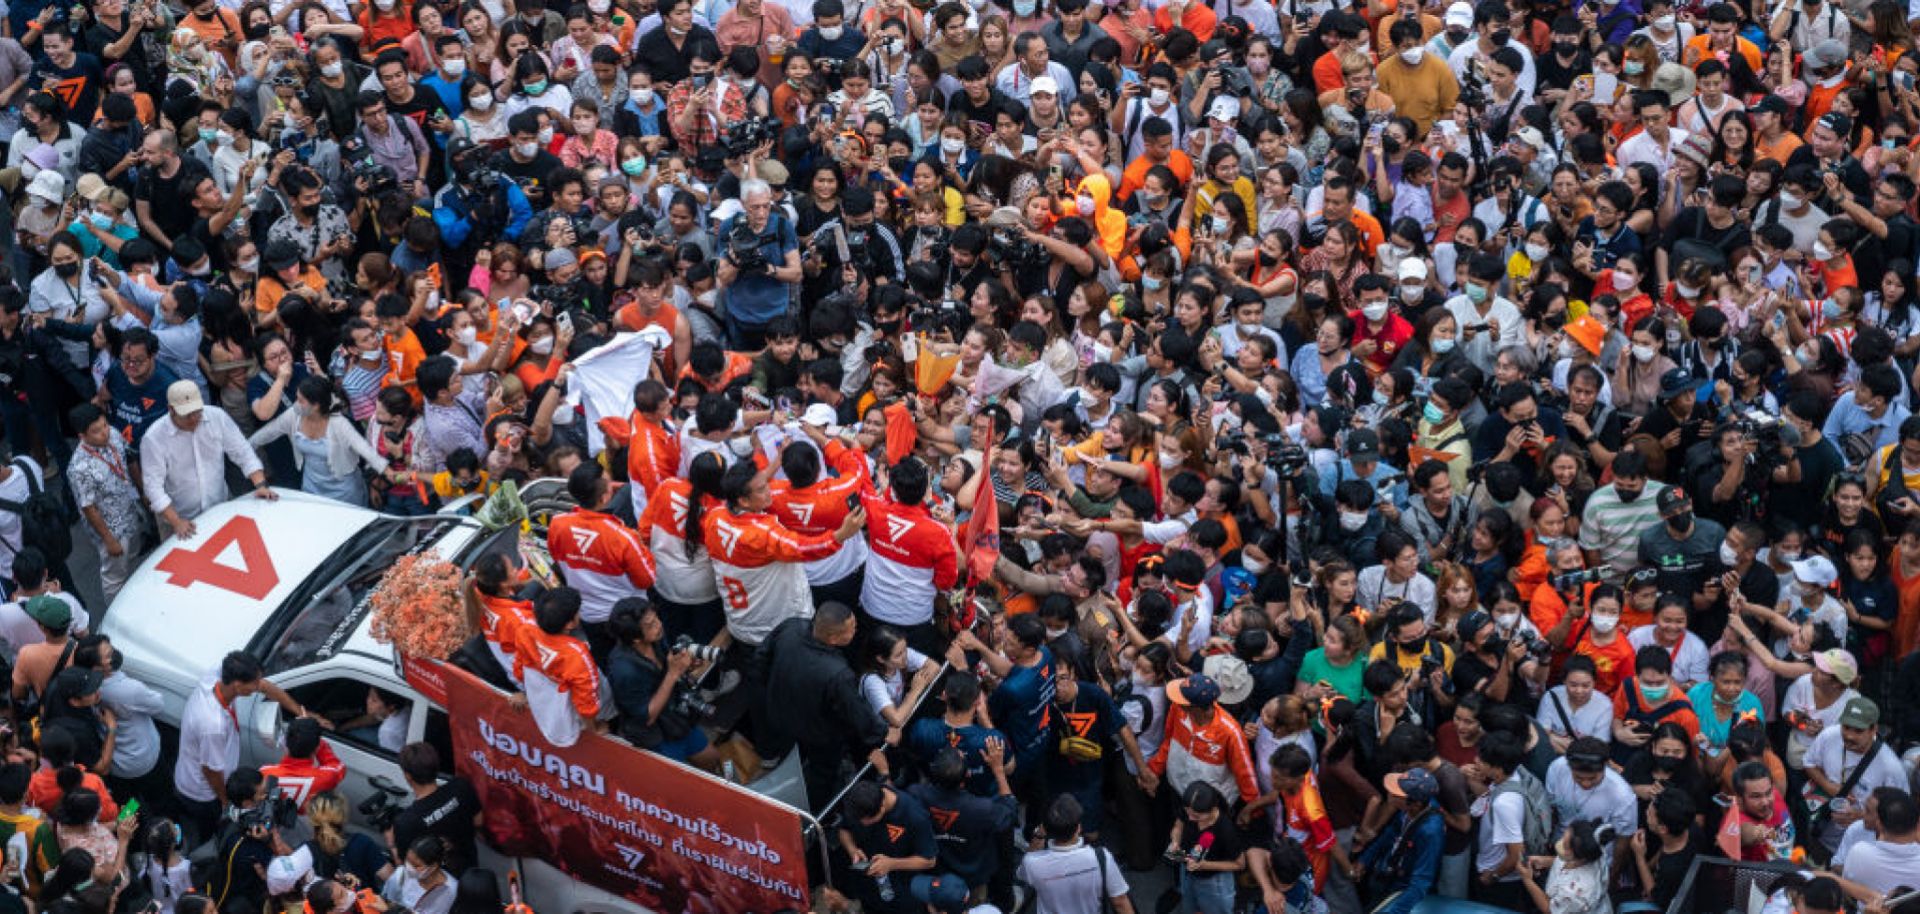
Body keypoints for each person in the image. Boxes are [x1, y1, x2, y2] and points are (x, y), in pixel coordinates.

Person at [174, 652, 306, 843]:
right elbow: (211, 770)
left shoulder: (220, 673)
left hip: (192, 771)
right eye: (254, 683)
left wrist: (300, 711)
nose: (258, 686)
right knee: (209, 828)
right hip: (203, 792)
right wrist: (226, 802)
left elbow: (265, 686)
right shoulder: (213, 726)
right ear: (237, 684)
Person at [141, 380, 273, 541]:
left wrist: (260, 485)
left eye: (197, 411)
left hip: (219, 506)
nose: (194, 418)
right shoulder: (153, 438)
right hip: (178, 518)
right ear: (171, 410)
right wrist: (176, 521)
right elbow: (153, 487)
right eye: (187, 415)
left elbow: (243, 452)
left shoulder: (217, 416)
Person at [389, 743, 483, 875]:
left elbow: (407, 866)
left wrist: (392, 844)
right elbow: (478, 821)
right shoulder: (461, 787)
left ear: (408, 776)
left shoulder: (406, 823)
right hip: (470, 874)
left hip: (436, 888)